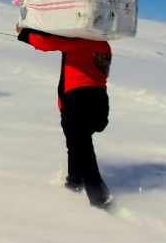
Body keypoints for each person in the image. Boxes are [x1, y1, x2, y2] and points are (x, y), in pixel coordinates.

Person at [16, 24, 113, 209]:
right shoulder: (105, 46)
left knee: (81, 146)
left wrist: (24, 33)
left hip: (79, 100)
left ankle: (100, 198)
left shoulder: (81, 41)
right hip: (100, 103)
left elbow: (45, 43)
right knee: (76, 144)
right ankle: (74, 182)